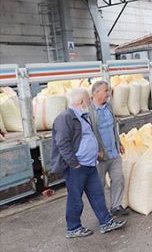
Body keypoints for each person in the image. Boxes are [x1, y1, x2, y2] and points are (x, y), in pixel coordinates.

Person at [50, 88, 127, 238]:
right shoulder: (65, 117)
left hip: (89, 164)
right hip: (77, 167)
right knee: (75, 198)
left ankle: (106, 222)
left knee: (97, 195)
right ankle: (73, 228)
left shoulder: (82, 116)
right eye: (88, 99)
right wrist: (74, 163)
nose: (90, 102)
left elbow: (86, 137)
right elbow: (63, 144)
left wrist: (94, 151)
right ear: (81, 102)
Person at [89, 81, 128, 216]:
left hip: (114, 152)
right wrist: (95, 151)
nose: (108, 93)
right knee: (99, 185)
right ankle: (102, 211)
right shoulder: (89, 111)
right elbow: (88, 134)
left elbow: (113, 128)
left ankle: (116, 206)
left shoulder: (109, 107)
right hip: (99, 156)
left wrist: (119, 143)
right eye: (106, 91)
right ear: (96, 93)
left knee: (118, 179)